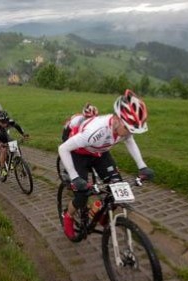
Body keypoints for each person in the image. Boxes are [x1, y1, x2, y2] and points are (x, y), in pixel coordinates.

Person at [58, 89, 155, 241]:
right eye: (129, 128)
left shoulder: (123, 130)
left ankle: (102, 215)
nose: (131, 133)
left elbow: (129, 140)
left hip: (100, 153)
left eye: (133, 129)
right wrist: (75, 177)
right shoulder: (95, 132)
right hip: (79, 153)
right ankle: (68, 216)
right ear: (116, 119)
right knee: (82, 195)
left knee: (117, 189)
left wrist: (142, 166)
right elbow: (63, 148)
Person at [0, 110, 29, 177]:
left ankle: (12, 162)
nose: (5, 124)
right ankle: (2, 169)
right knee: (3, 150)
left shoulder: (9, 121)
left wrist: (23, 134)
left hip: (4, 135)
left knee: (14, 145)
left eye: (6, 121)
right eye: (3, 122)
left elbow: (17, 126)